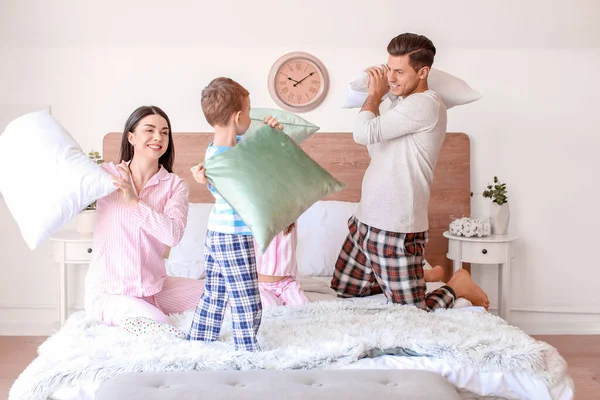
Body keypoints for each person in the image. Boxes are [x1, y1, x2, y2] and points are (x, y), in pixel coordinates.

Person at [331, 33, 489, 311]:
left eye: (399, 71)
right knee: (345, 289)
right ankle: (417, 276)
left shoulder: (425, 104)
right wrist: (383, 96)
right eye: (388, 69)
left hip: (395, 226)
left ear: (423, 72)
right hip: (365, 217)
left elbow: (362, 133)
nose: (390, 78)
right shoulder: (398, 104)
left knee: (412, 312)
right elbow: (375, 143)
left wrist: (373, 95)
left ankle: (457, 286)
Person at [84, 105, 205, 327]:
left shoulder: (175, 185)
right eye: (149, 130)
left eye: (164, 132)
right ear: (131, 137)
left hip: (155, 289)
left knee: (223, 294)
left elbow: (173, 235)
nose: (158, 137)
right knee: (156, 322)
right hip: (110, 293)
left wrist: (134, 202)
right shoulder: (106, 175)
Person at [187, 77, 282, 351]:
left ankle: (199, 339)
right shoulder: (228, 160)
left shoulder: (217, 150)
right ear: (238, 116)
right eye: (249, 113)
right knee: (246, 297)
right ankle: (247, 349)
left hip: (216, 233)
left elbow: (247, 144)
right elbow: (255, 176)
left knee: (215, 293)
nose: (251, 119)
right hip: (233, 236)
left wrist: (267, 131)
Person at [255, 221, 309, 308]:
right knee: (271, 308)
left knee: (303, 306)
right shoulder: (254, 220)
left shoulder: (289, 217)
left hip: (286, 284)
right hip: (260, 285)